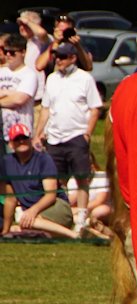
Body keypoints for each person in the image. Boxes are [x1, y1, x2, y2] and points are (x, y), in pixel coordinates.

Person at [33, 42, 103, 234]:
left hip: (76, 135)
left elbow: (95, 108)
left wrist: (87, 133)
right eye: (57, 56)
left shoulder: (85, 79)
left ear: (73, 58)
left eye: (63, 57)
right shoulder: (52, 79)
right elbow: (46, 108)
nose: (59, 60)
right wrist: (38, 133)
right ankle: (63, 215)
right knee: (57, 181)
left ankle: (81, 217)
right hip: (55, 137)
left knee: (81, 179)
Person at [1, 122, 77, 238]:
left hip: (55, 205)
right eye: (17, 139)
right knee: (22, 225)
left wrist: (33, 211)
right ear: (11, 144)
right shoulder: (7, 163)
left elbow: (50, 195)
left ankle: (74, 235)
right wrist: (5, 231)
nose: (21, 141)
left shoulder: (43, 159)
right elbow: (10, 199)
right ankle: (52, 233)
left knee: (27, 223)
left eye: (24, 138)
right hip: (32, 212)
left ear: (30, 139)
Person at [0, 33, 39, 142]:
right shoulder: (1, 72)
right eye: (5, 51)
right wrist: (11, 93)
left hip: (20, 133)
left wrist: (3, 93)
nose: (8, 55)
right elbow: (15, 96)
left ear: (23, 52)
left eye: (12, 53)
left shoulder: (29, 75)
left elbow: (19, 99)